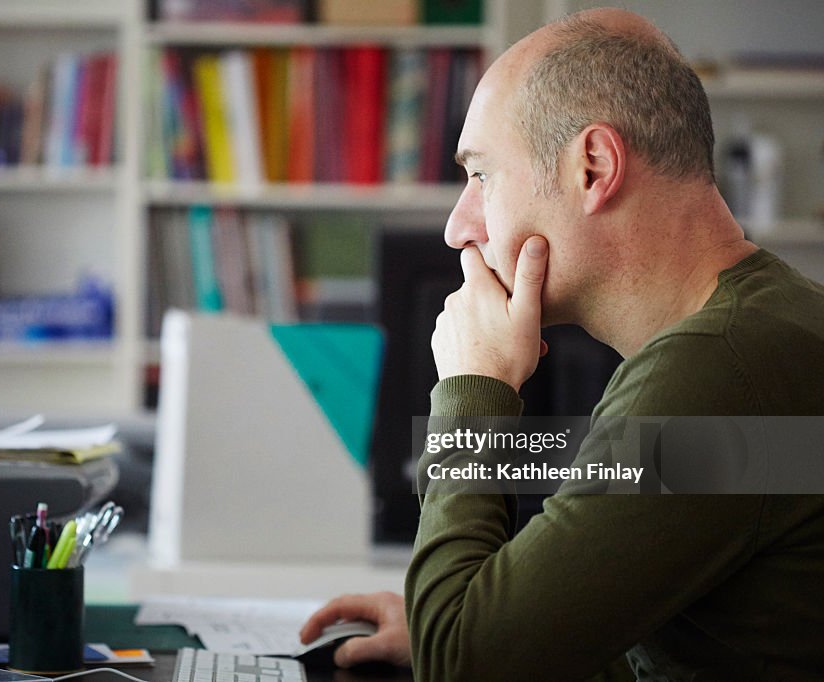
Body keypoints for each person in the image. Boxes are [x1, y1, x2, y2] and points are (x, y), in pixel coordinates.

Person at [299, 8, 824, 681]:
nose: (458, 229)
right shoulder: (761, 329)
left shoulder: (721, 368)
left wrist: (473, 389)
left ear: (594, 167)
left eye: (481, 175)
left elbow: (467, 666)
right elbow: (660, 653)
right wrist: (476, 611)